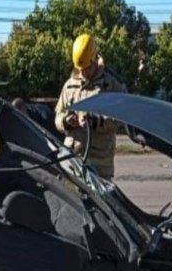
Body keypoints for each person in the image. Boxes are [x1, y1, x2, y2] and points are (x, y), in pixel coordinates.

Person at [54, 33, 127, 179]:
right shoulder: (70, 85)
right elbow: (57, 116)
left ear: (94, 59)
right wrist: (65, 122)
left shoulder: (111, 84)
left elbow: (121, 117)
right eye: (80, 68)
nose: (82, 72)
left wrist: (95, 121)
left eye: (86, 68)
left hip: (100, 164)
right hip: (71, 160)